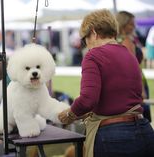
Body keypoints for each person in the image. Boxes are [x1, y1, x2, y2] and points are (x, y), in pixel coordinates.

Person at [58, 9, 154, 157]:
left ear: (94, 32)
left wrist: (70, 114)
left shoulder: (93, 56)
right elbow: (127, 95)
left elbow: (88, 99)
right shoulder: (129, 54)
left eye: (85, 39)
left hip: (114, 137)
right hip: (144, 131)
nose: (86, 44)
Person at [116, 11, 152, 122]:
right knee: (140, 118)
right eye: (131, 24)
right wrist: (141, 89)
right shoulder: (126, 41)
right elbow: (133, 67)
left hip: (124, 83)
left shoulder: (116, 40)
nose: (134, 26)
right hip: (136, 81)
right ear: (122, 24)